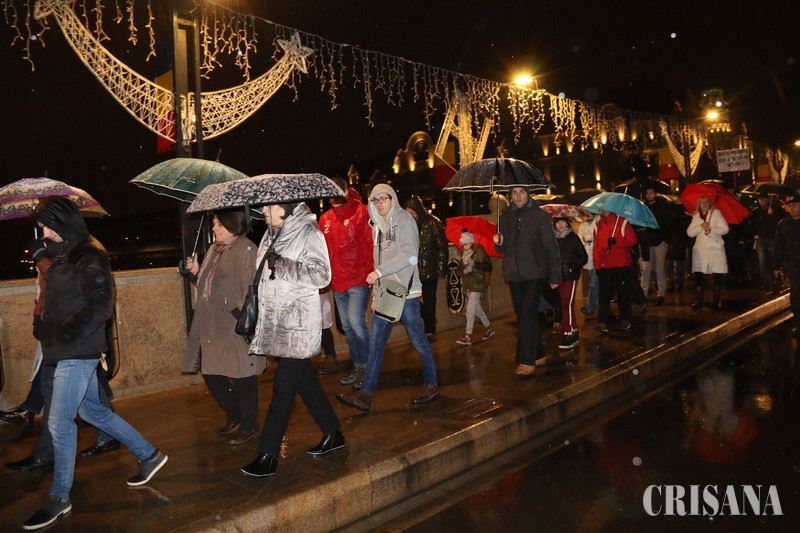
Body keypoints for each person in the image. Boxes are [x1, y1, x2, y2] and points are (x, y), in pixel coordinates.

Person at [22, 197, 167, 530]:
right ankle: (149, 455)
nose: (43, 233)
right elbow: (62, 299)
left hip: (77, 351)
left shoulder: (89, 253)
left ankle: (59, 497)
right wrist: (44, 325)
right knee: (93, 412)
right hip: (66, 349)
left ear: (60, 222)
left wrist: (66, 335)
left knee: (60, 422)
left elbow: (100, 306)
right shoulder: (65, 252)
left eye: (46, 226)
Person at [240, 202, 343, 477]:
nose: (263, 211)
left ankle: (268, 454)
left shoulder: (309, 232)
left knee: (283, 388)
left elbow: (322, 275)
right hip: (277, 321)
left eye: (268, 206)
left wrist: (283, 264)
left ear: (284, 207)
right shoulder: (271, 233)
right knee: (305, 383)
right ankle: (333, 433)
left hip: (298, 324)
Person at [336, 184, 440, 411]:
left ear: (393, 199)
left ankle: (432, 385)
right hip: (386, 293)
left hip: (406, 293)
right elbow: (379, 260)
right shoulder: (378, 226)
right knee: (376, 344)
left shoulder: (404, 220)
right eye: (376, 200)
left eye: (384, 199)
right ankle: (365, 396)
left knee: (418, 341)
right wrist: (376, 293)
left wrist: (379, 272)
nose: (380, 204)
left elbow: (409, 254)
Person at [181, 211, 262, 446]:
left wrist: (240, 317)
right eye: (214, 224)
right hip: (211, 324)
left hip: (234, 324)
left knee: (243, 374)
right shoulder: (214, 250)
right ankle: (236, 415)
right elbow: (210, 284)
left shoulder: (246, 249)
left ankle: (250, 425)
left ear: (232, 224)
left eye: (219, 224)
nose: (214, 228)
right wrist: (196, 272)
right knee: (211, 371)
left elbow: (253, 288)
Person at [492, 186, 560, 376]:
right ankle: (538, 354)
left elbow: (551, 247)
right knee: (523, 316)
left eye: (521, 192)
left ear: (528, 193)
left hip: (534, 273)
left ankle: (525, 360)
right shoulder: (504, 218)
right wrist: (498, 242)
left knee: (528, 315)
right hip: (514, 274)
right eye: (514, 193)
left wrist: (555, 274)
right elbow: (503, 249)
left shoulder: (540, 216)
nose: (518, 196)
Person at [318, 178, 373, 384]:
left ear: (344, 191)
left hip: (358, 278)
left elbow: (371, 243)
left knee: (357, 323)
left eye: (335, 191)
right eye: (329, 192)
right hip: (338, 281)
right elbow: (322, 252)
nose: (332, 196)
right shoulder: (325, 219)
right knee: (347, 327)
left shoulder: (362, 212)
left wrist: (372, 273)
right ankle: (358, 365)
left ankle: (368, 367)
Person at [404, 195, 448, 342]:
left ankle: (430, 331)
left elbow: (442, 247)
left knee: (429, 301)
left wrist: (441, 269)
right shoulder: (407, 225)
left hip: (429, 270)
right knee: (413, 301)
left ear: (418, 210)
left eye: (412, 213)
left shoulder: (433, 223)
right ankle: (429, 319)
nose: (410, 216)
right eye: (408, 213)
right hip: (413, 271)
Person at [594, 209, 638, 334]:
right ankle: (602, 321)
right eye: (600, 208)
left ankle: (625, 319)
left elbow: (633, 240)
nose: (602, 210)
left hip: (621, 264)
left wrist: (618, 241)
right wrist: (597, 265)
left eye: (605, 207)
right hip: (605, 265)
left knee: (623, 294)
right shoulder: (598, 225)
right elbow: (596, 247)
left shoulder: (623, 222)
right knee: (604, 295)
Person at [687, 196, 729, 309]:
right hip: (700, 250)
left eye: (706, 202)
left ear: (709, 203)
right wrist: (701, 226)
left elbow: (725, 229)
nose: (704, 204)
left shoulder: (716, 214)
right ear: (699, 204)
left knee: (718, 274)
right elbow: (689, 233)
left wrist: (711, 230)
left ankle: (716, 302)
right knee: (698, 275)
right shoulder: (696, 216)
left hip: (715, 249)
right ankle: (699, 302)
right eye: (702, 202)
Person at [552, 217, 587, 350]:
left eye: (563, 222)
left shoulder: (573, 238)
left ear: (567, 223)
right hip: (558, 276)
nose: (560, 225)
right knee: (563, 304)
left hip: (570, 276)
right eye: (557, 222)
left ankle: (569, 333)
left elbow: (583, 257)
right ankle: (573, 331)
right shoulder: (553, 239)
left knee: (567, 303)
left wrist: (572, 268)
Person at [455, 229, 494, 345]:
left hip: (477, 284)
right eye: (463, 245)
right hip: (468, 286)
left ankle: (468, 335)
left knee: (470, 309)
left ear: (472, 243)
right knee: (477, 309)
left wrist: (474, 265)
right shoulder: (463, 256)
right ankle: (489, 328)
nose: (465, 247)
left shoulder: (479, 253)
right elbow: (458, 271)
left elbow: (487, 266)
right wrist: (464, 271)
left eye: (467, 244)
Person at [641, 187, 675, 305]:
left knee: (659, 269)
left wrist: (665, 239)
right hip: (647, 243)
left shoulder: (662, 206)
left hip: (660, 242)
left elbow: (668, 223)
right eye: (647, 193)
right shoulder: (643, 208)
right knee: (646, 269)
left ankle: (661, 294)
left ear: (655, 194)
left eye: (651, 193)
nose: (649, 195)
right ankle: (643, 294)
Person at [773, 196, 800, 336]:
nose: (792, 208)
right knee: (796, 294)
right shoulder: (783, 223)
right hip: (793, 264)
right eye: (790, 206)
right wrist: (777, 266)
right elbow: (778, 246)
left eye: (795, 205)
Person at [748, 192, 785, 290]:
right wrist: (754, 235)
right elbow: (751, 224)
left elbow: (782, 222)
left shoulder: (776, 209)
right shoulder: (756, 212)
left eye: (764, 199)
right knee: (762, 261)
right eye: (760, 199)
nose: (762, 201)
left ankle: (778, 277)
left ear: (768, 199)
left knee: (775, 259)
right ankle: (766, 282)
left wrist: (773, 215)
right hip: (761, 239)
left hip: (773, 238)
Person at [577, 215, 599, 317]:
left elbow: (598, 236)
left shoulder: (599, 221)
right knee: (595, 284)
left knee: (594, 283)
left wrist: (589, 237)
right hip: (588, 258)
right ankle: (602, 307)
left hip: (598, 257)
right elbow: (579, 239)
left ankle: (589, 307)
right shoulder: (582, 225)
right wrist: (586, 239)